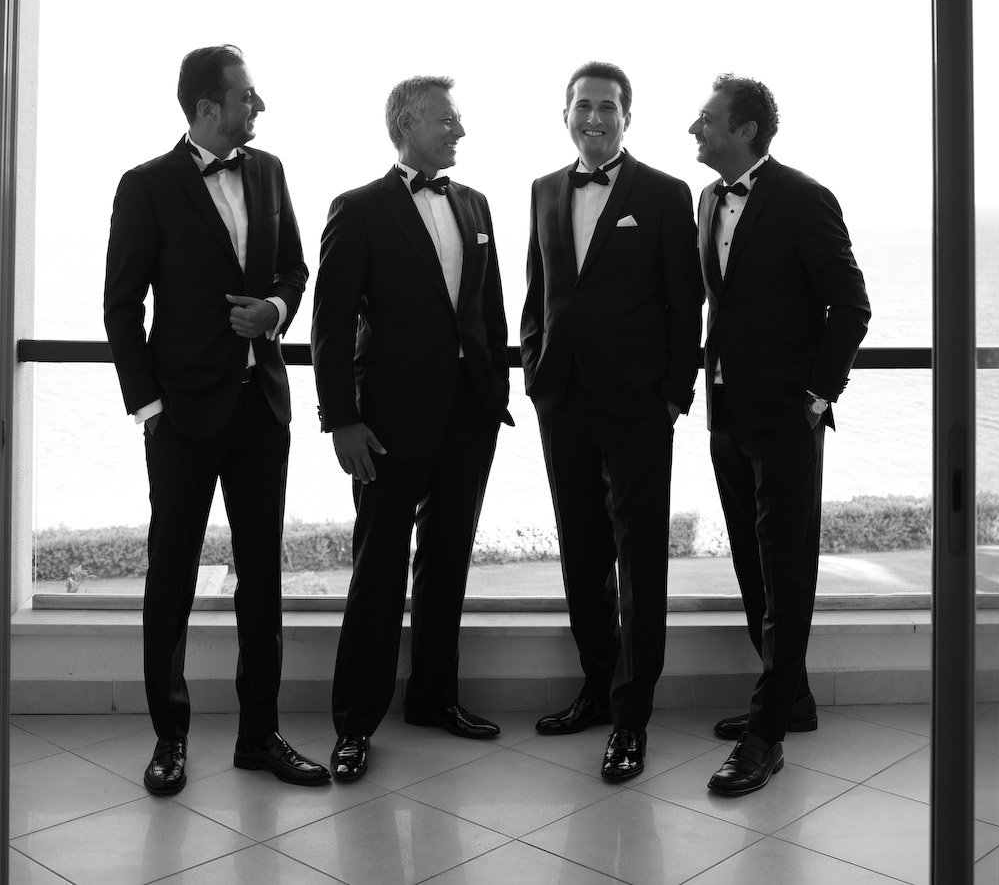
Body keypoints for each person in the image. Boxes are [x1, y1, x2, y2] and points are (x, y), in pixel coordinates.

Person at [104, 45, 330, 796]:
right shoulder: (146, 185)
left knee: (262, 579)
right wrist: (151, 408)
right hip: (182, 416)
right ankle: (170, 738)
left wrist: (276, 310)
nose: (259, 107)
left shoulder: (269, 172)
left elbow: (294, 270)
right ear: (208, 107)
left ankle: (259, 735)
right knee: (169, 578)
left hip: (261, 406)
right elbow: (120, 307)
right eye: (247, 96)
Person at [312, 75, 512, 783]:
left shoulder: (475, 204)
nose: (460, 132)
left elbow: (488, 307)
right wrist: (341, 420)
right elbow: (331, 325)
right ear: (406, 125)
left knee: (448, 559)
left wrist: (495, 394)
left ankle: (433, 699)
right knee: (378, 568)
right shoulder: (358, 209)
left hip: (469, 416)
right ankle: (354, 725)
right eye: (446, 121)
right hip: (387, 422)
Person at [521, 61, 704, 783]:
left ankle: (633, 718)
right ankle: (596, 689)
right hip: (562, 400)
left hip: (638, 405)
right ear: (565, 114)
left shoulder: (663, 193)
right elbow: (537, 293)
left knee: (640, 559)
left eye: (607, 107)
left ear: (627, 117)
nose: (594, 117)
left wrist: (674, 393)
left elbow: (685, 302)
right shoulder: (543, 189)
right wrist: (535, 374)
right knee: (581, 551)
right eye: (583, 106)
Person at [689, 74, 870, 796]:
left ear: (745, 130)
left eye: (706, 120)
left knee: (786, 571)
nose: (694, 130)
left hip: (789, 420)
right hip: (727, 415)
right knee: (751, 564)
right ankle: (790, 699)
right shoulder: (707, 200)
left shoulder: (804, 197)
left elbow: (850, 304)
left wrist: (819, 395)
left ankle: (766, 737)